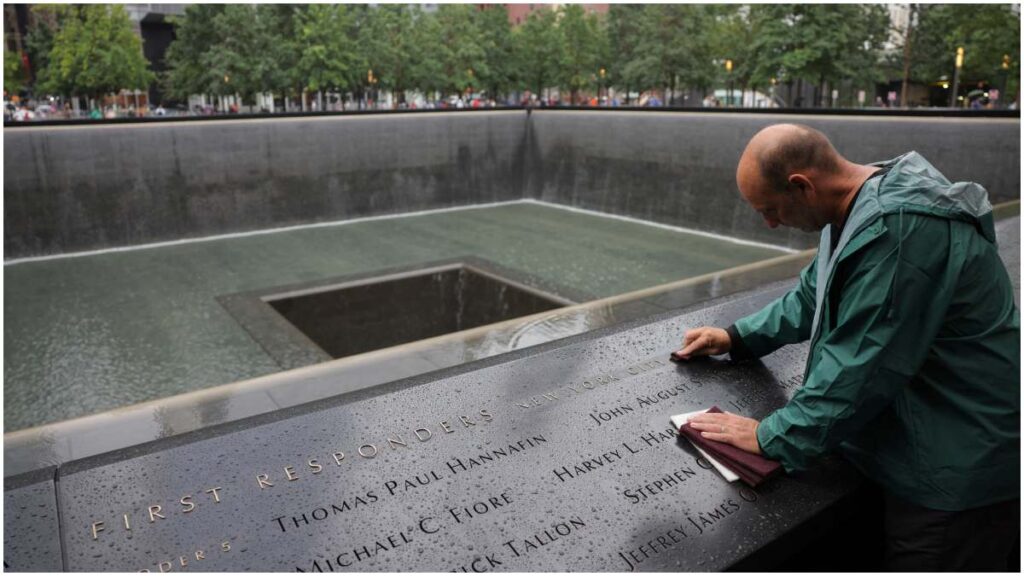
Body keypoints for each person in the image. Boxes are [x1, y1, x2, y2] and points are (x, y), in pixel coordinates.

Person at [678, 123, 1019, 571]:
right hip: (922, 441)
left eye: (771, 209)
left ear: (801, 186)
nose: (771, 223)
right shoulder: (857, 206)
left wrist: (771, 436)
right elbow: (812, 296)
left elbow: (861, 368)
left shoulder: (899, 232)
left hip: (957, 471)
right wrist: (738, 336)